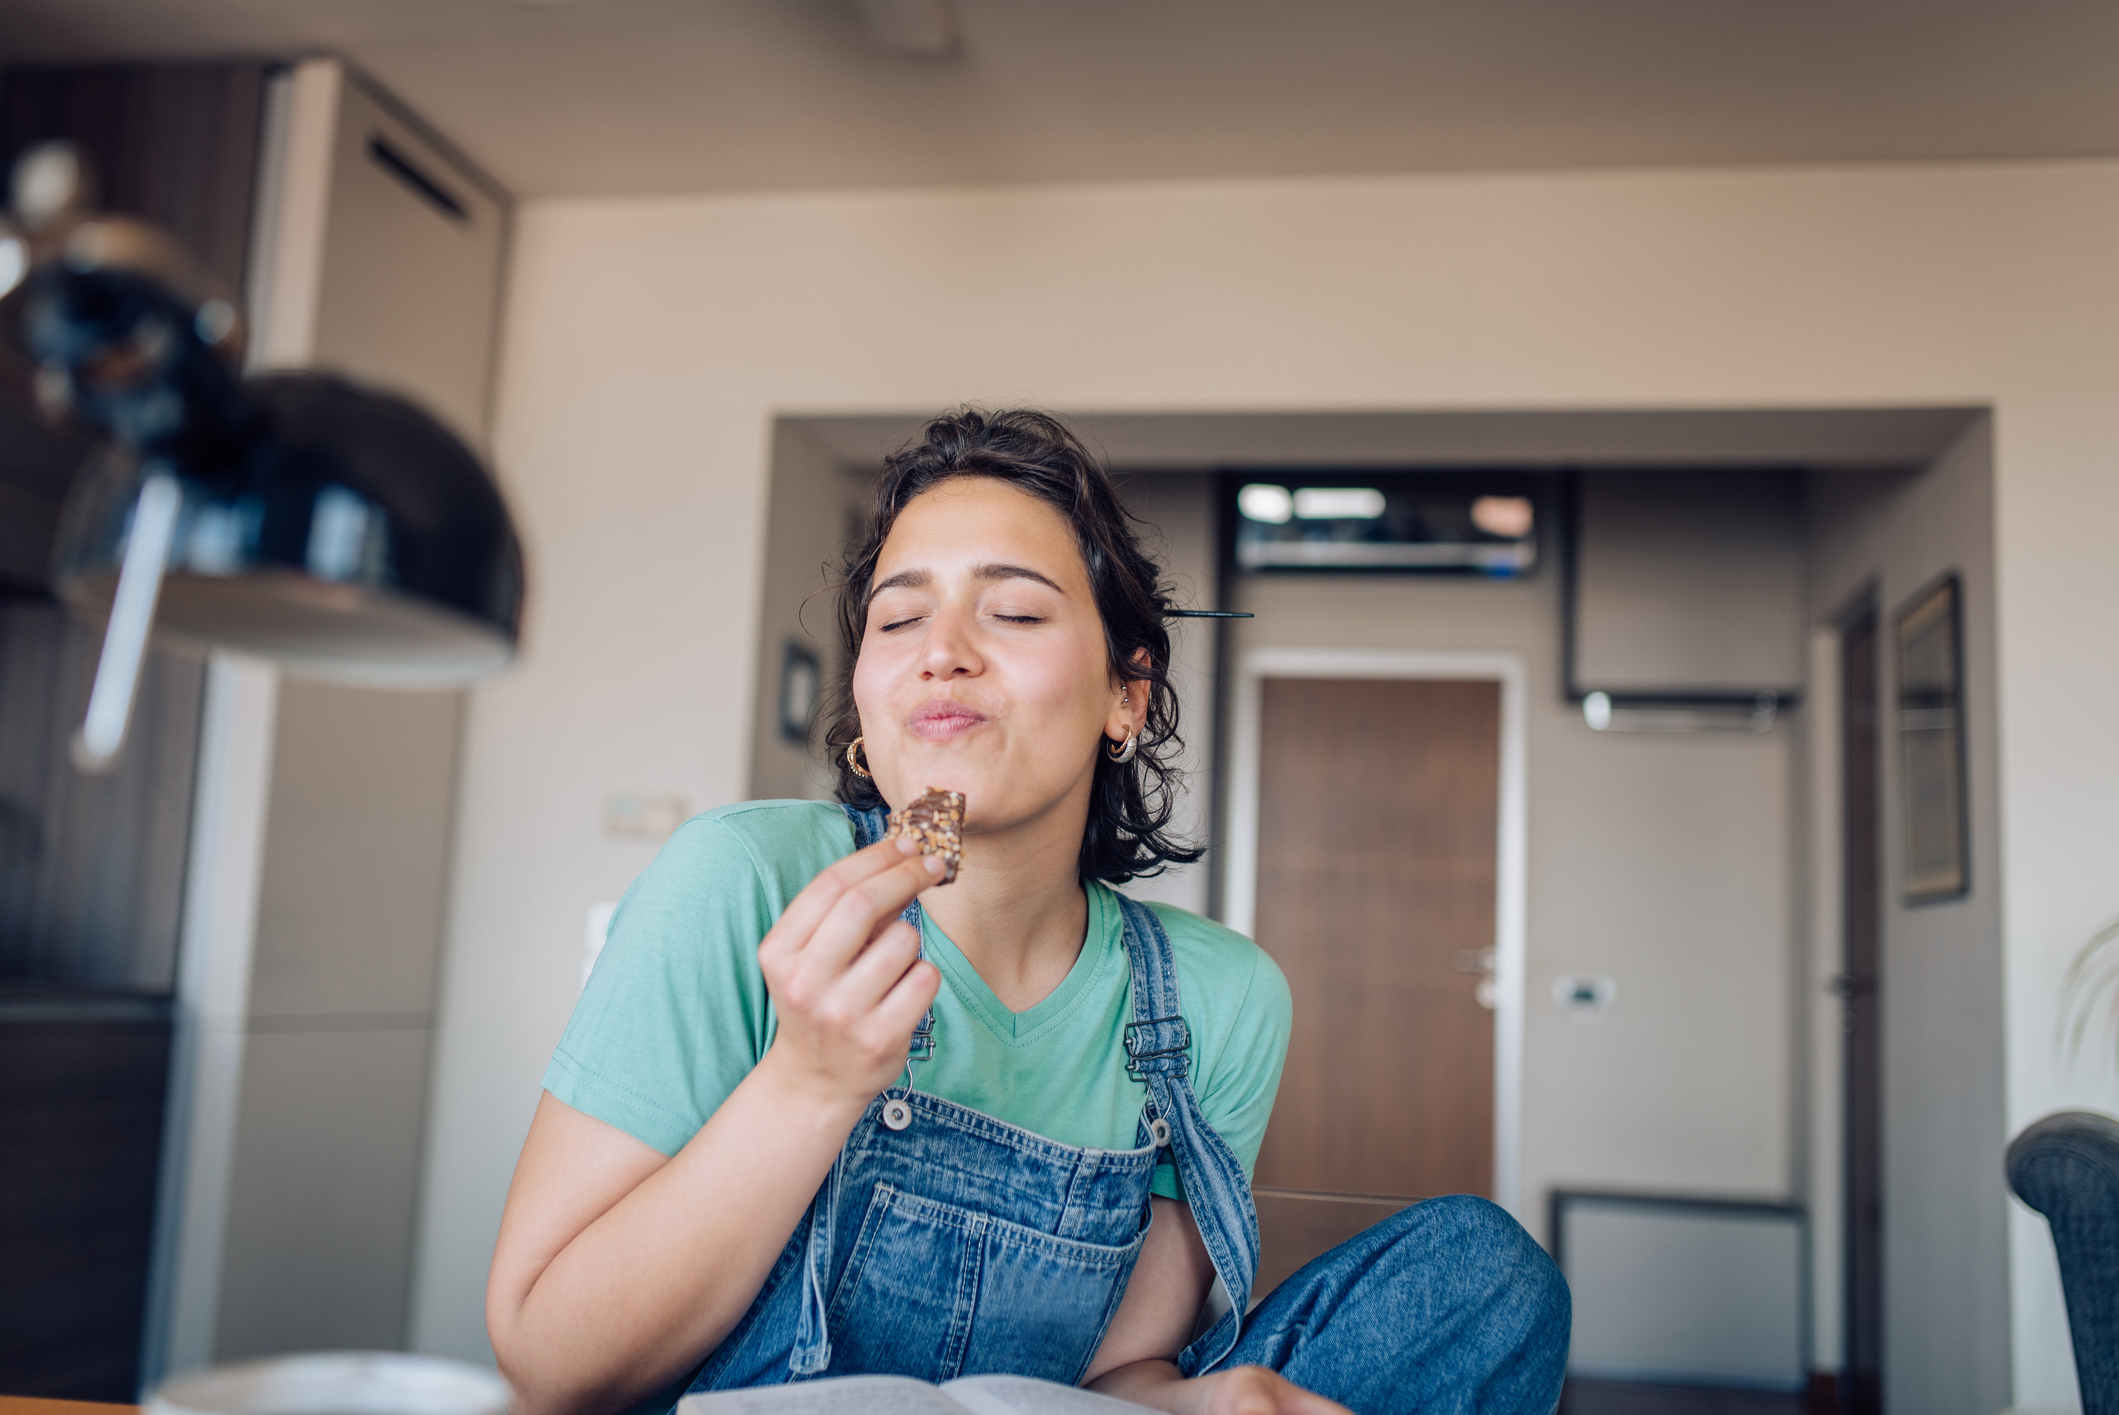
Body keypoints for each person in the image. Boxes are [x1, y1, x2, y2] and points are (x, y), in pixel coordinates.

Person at [486, 411, 1569, 1415]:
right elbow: (548, 1360)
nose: (939, 649)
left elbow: (1110, 1377)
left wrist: (1204, 1398)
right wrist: (806, 1082)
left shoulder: (1216, 999)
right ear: (865, 710)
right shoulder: (740, 880)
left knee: (1480, 1276)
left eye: (1010, 610)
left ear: (1123, 695)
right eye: (898, 615)